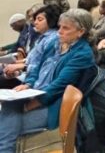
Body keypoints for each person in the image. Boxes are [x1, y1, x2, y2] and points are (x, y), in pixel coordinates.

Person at [0, 8, 96, 153]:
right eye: (60, 27)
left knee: (4, 125)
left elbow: (58, 86)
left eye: (65, 28)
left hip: (52, 105)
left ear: (80, 32)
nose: (59, 32)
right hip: (34, 94)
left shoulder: (82, 54)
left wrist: (30, 104)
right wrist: (28, 84)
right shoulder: (56, 43)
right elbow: (36, 67)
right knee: (8, 110)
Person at [0, 5, 61, 89]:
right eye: (34, 18)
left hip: (34, 81)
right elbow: (33, 59)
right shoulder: (43, 37)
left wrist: (24, 73)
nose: (34, 22)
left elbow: (43, 66)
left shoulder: (52, 38)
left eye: (39, 19)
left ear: (51, 20)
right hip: (28, 74)